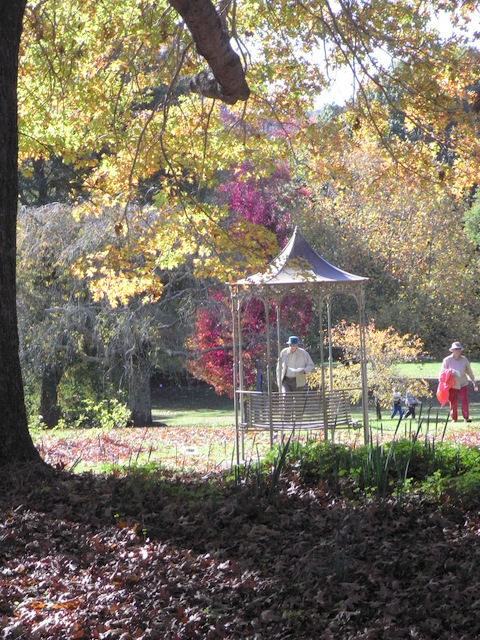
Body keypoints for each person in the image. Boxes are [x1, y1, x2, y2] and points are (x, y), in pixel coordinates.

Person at [439, 341, 478, 423]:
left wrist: (473, 381)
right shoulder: (447, 360)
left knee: (464, 400)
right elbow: (442, 373)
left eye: (459, 349)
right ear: (452, 350)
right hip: (453, 384)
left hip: (463, 382)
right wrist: (450, 372)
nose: (458, 350)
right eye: (456, 349)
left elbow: (469, 371)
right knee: (453, 401)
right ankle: (454, 418)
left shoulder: (464, 360)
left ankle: (466, 417)